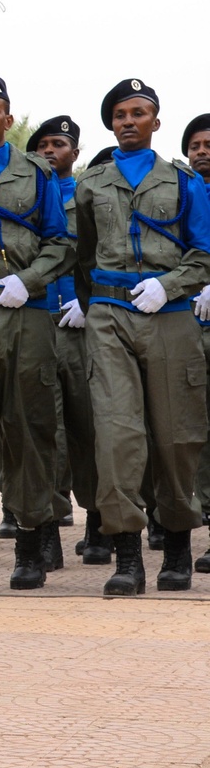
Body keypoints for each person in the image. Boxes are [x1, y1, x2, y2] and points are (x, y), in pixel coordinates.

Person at [75, 80, 210, 597]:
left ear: (156, 121)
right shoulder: (92, 183)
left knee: (177, 434)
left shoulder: (184, 182)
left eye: (138, 113)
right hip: (110, 313)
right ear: (111, 124)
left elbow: (204, 253)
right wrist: (98, 304)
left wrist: (170, 284)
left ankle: (176, 544)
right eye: (119, 115)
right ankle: (127, 555)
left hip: (170, 314)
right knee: (116, 435)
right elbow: (84, 256)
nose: (128, 121)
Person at [0, 78, 73, 595]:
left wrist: (28, 280)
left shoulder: (37, 173)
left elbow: (60, 242)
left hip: (26, 314)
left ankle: (30, 537)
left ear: (8, 118)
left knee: (29, 427)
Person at [26, 116, 109, 566]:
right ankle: (48, 530)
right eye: (41, 144)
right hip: (38, 319)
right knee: (42, 429)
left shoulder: (87, 195)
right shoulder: (30, 195)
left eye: (58, 144)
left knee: (87, 426)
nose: (48, 151)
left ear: (75, 153)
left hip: (81, 325)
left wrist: (90, 301)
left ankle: (98, 522)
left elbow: (102, 253)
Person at [183, 114, 210, 572]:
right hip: (187, 326)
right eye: (195, 145)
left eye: (209, 144)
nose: (202, 151)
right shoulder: (181, 192)